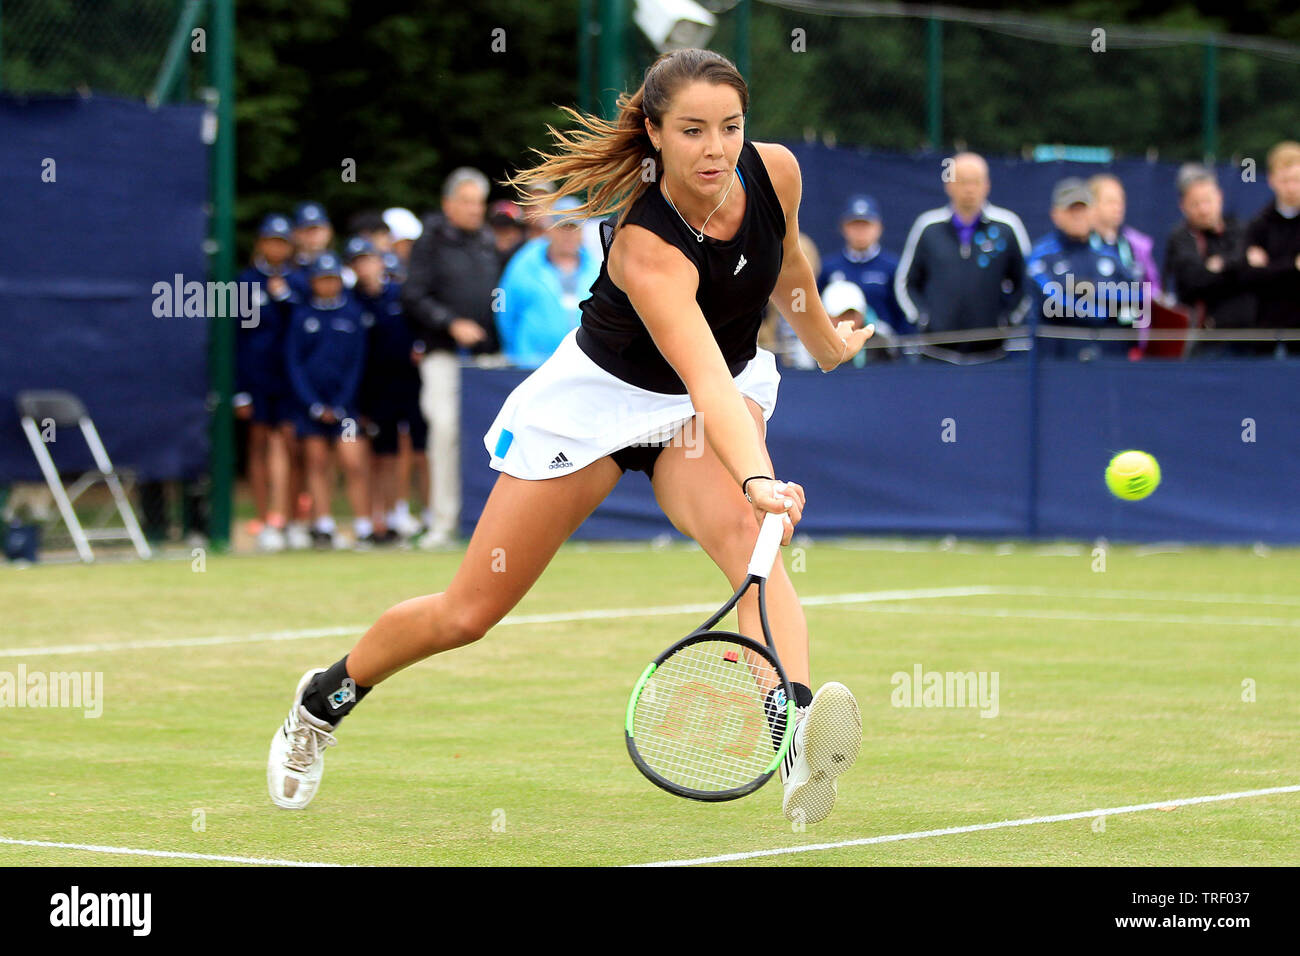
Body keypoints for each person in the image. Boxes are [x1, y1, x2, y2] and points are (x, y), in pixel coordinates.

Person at [267, 48, 870, 825]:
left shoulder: (774, 171)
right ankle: (322, 701)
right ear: (653, 133)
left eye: (730, 126)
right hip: (600, 405)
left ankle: (791, 733)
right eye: (692, 131)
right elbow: (708, 384)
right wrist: (759, 474)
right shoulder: (645, 244)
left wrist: (822, 341)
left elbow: (785, 259)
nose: (715, 148)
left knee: (750, 543)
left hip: (699, 404)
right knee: (467, 613)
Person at [402, 168, 502, 550]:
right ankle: (443, 522)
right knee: (444, 431)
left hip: (487, 359)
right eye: (467, 201)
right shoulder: (430, 242)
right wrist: (451, 323)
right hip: (443, 355)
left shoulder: (487, 241)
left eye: (479, 202)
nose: (475, 210)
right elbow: (413, 296)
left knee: (490, 438)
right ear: (448, 204)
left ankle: (483, 524)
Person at [894, 152, 1031, 364]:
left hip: (993, 355)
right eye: (962, 181)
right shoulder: (928, 226)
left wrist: (1008, 320)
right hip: (936, 355)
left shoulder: (1007, 226)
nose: (969, 189)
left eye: (976, 182)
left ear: (987, 185)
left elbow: (1026, 283)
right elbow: (906, 282)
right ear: (949, 185)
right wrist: (923, 318)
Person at [285, 252, 372, 548]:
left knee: (353, 462)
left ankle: (363, 525)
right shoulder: (302, 316)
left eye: (332, 279)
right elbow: (294, 364)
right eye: (321, 280)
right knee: (316, 462)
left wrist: (340, 403)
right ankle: (322, 524)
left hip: (344, 408)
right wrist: (313, 404)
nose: (327, 285)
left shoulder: (352, 314)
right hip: (311, 408)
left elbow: (357, 363)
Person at [348, 237, 426, 541]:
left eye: (369, 259)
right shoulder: (351, 300)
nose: (365, 267)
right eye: (358, 261)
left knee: (408, 449)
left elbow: (420, 331)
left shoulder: (401, 295)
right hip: (369, 388)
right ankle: (374, 520)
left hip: (407, 385)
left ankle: (400, 513)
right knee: (379, 455)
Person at [234, 213, 297, 551]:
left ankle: (284, 519)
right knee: (257, 445)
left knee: (289, 444)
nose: (277, 247)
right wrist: (239, 391)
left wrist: (285, 296)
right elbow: (236, 340)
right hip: (256, 379)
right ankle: (263, 520)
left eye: (282, 241)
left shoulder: (299, 282)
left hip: (289, 381)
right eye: (271, 240)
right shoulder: (244, 282)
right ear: (261, 243)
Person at [1027, 177, 1142, 360]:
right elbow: (1052, 302)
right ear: (1055, 214)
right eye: (1071, 210)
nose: (1078, 215)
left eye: (1083, 209)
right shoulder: (1041, 255)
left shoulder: (1109, 254)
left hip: (1109, 360)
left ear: (1092, 213)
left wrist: (1089, 288)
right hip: (1059, 360)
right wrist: (1106, 311)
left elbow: (1137, 298)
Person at [1162, 163, 1258, 356]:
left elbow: (1253, 272)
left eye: (1207, 201)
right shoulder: (1181, 238)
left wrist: (1220, 266)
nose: (1203, 210)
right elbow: (1193, 281)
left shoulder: (1239, 229)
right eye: (1195, 204)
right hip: (1208, 341)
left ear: (1219, 197)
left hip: (1251, 338)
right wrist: (1239, 267)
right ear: (1183, 206)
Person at [495, 196, 602, 368]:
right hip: (530, 366)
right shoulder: (523, 263)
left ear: (582, 233)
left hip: (582, 368)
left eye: (573, 228)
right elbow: (502, 307)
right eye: (562, 227)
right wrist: (515, 352)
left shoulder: (596, 269)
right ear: (549, 230)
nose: (568, 235)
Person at [819, 194, 904, 335]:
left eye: (866, 224)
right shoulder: (829, 268)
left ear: (879, 227)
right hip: (840, 346)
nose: (860, 231)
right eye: (855, 224)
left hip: (882, 347)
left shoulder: (893, 268)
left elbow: (903, 313)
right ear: (844, 227)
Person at [1243, 141, 1300, 352]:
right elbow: (1249, 275)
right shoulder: (1260, 224)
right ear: (1271, 180)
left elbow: (1264, 272)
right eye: (1285, 180)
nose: (1291, 187)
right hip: (1266, 332)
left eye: (1296, 180)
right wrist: (1293, 266)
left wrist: (1270, 267)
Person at [1087, 174, 1162, 300]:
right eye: (1110, 201)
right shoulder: (1081, 243)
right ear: (1092, 205)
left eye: (1121, 201)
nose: (1118, 207)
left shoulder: (1137, 245)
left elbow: (1153, 288)